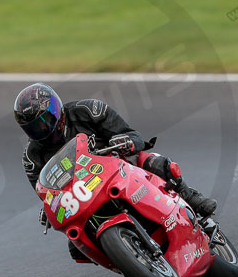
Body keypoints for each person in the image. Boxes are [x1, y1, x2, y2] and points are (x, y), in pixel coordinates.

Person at [13, 83, 218, 255]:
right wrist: (49, 208)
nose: (42, 129)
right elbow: (46, 192)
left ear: (56, 110)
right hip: (84, 196)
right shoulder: (32, 158)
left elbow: (135, 136)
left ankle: (189, 196)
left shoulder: (88, 111)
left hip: (119, 169)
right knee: (76, 246)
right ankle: (127, 263)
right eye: (33, 127)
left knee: (152, 162)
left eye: (45, 121)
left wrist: (126, 141)